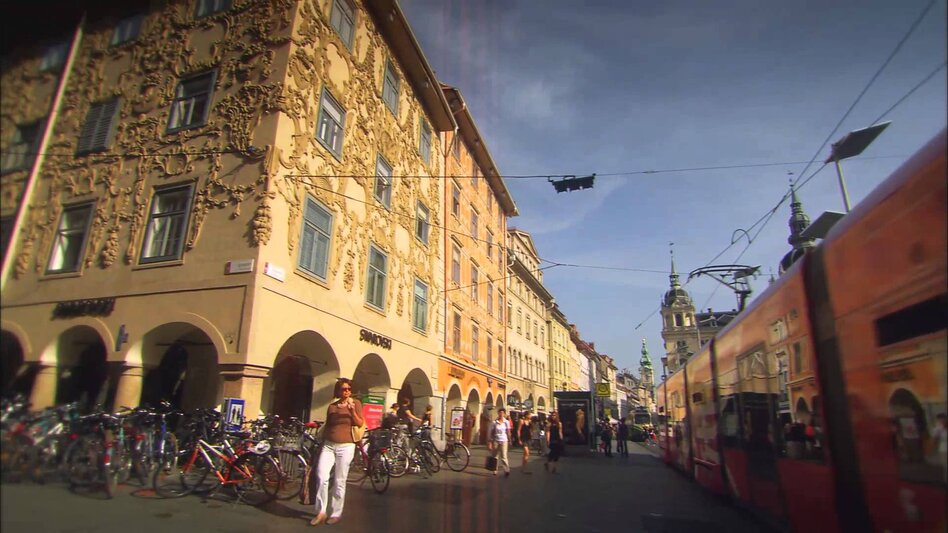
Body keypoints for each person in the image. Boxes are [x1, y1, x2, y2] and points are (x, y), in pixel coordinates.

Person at [311, 378, 364, 526]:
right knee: (321, 476)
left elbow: (359, 423)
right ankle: (321, 511)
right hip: (328, 444)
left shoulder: (356, 404)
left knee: (339, 480)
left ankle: (336, 513)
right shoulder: (332, 406)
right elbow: (328, 425)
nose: (346, 391)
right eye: (343, 389)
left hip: (346, 446)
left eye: (348, 389)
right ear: (338, 391)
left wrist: (352, 410)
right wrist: (321, 442)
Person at [488, 408, 511, 477]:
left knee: (504, 456)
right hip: (496, 440)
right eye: (500, 413)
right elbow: (491, 432)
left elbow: (508, 431)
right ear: (498, 413)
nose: (501, 414)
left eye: (502, 413)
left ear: (504, 414)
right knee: (495, 456)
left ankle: (506, 470)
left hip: (504, 440)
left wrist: (510, 440)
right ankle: (494, 469)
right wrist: (490, 441)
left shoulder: (506, 422)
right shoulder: (494, 422)